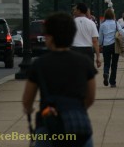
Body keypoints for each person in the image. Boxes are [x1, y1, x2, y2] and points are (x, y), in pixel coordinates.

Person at [22, 12, 97, 147]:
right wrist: (75, 109)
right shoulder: (84, 62)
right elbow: (90, 97)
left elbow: (27, 99)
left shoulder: (39, 64)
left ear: (50, 38)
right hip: (79, 127)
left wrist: (28, 110)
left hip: (49, 126)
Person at [98, 9, 124, 88]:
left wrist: (100, 45)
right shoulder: (116, 23)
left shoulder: (102, 24)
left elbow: (100, 37)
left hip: (106, 45)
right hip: (115, 45)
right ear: (113, 15)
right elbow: (122, 32)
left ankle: (106, 73)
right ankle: (112, 82)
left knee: (106, 63)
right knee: (114, 64)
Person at [71, 3, 101, 69]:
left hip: (75, 50)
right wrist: (98, 57)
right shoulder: (91, 23)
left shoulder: (71, 23)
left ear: (79, 11)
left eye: (75, 10)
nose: (74, 11)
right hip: (88, 51)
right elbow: (95, 41)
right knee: (88, 73)